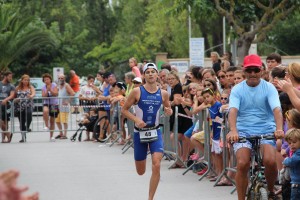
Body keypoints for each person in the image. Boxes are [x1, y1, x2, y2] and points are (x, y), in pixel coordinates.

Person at [227, 54, 284, 200]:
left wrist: (279, 129)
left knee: (270, 161)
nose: (253, 74)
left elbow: (277, 110)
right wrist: (233, 130)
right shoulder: (237, 89)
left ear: (262, 71)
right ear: (244, 71)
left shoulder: (269, 88)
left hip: (266, 129)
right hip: (243, 131)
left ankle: (270, 191)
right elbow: (233, 110)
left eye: (256, 70)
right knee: (242, 163)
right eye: (249, 70)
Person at [121, 63, 172, 200]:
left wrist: (168, 111)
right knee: (141, 171)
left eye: (153, 71)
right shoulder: (137, 91)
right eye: (147, 72)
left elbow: (169, 109)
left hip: (155, 132)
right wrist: (136, 120)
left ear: (157, 74)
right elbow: (124, 110)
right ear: (144, 75)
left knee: (156, 164)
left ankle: (150, 198)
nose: (150, 74)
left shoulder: (163, 93)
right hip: (139, 133)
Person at [14, 74, 35, 143]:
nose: (26, 81)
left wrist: (31, 96)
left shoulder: (30, 87)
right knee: (21, 122)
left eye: (27, 80)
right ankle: (23, 137)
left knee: (29, 114)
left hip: (28, 104)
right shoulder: (17, 87)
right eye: (25, 80)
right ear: (22, 80)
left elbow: (33, 93)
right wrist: (15, 100)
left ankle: (27, 127)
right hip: (19, 106)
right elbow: (14, 96)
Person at [55, 74, 75, 139]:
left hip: (64, 106)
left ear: (64, 79)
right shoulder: (58, 85)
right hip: (57, 105)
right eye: (59, 78)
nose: (61, 79)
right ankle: (60, 133)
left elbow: (73, 93)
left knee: (64, 121)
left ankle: (65, 134)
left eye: (62, 78)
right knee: (57, 120)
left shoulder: (66, 85)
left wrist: (68, 101)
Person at [282, 128, 300, 200]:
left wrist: (285, 161)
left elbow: (292, 161)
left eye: (294, 142)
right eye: (289, 143)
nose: (292, 145)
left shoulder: (298, 153)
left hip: (297, 183)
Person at [41, 73, 58, 141]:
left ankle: (51, 136)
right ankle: (46, 125)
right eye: (45, 80)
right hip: (46, 103)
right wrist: (47, 90)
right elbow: (43, 96)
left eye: (47, 79)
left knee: (52, 121)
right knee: (45, 111)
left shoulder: (54, 85)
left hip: (54, 104)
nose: (46, 81)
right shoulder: (43, 87)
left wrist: (50, 90)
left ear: (50, 79)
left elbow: (56, 94)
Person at [0, 71, 15, 143]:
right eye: (9, 76)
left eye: (11, 77)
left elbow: (12, 95)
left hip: (7, 105)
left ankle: (4, 139)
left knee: (6, 122)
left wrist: (6, 100)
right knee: (0, 122)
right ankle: (8, 135)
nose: (11, 78)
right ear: (5, 76)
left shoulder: (11, 86)